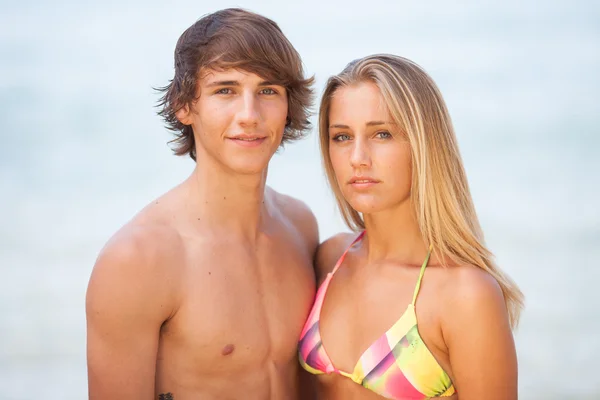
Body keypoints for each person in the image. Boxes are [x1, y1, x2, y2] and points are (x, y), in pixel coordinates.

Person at [86, 8, 318, 399]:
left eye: (268, 91)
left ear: (288, 106)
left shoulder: (301, 226)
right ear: (185, 106)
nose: (250, 115)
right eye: (225, 90)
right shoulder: (138, 259)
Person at [298, 54, 524, 400]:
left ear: (423, 144)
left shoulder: (466, 295)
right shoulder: (330, 258)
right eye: (342, 137)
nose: (358, 157)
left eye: (382, 134)